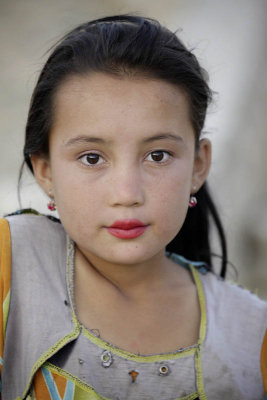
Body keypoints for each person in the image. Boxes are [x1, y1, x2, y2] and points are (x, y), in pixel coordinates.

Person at [0, 14, 266, 400]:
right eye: (92, 158)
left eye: (158, 155)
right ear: (45, 170)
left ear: (198, 165)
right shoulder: (11, 266)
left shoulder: (251, 337)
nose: (127, 193)